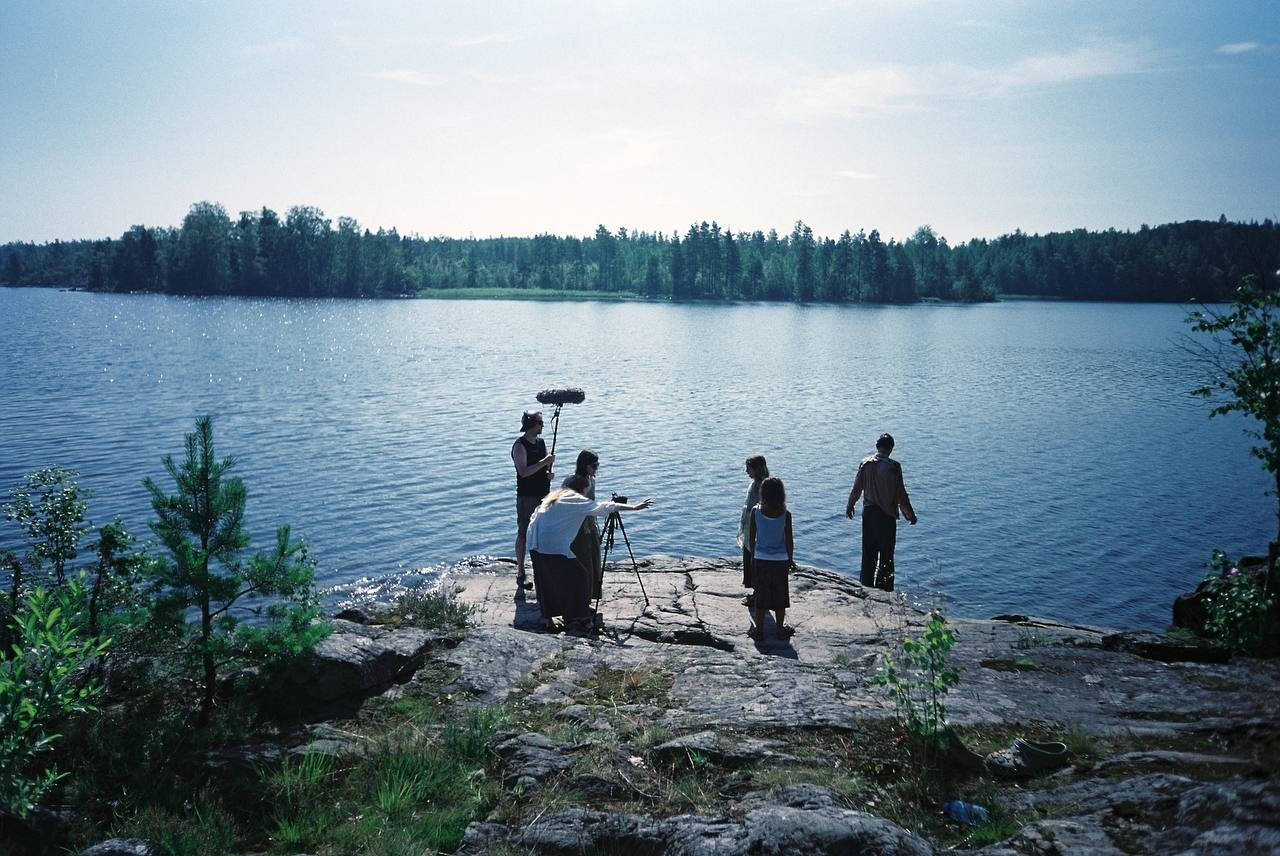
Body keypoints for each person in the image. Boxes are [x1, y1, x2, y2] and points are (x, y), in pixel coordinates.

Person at [527, 474, 653, 633]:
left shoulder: (554, 497)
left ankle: (547, 619)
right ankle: (578, 616)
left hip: (534, 542)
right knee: (580, 577)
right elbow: (605, 507)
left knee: (545, 581)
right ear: (582, 489)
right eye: (587, 489)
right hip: (552, 546)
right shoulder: (576, 500)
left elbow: (536, 516)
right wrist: (634, 507)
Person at [845, 433, 917, 592]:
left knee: (868, 553)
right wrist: (909, 515)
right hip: (887, 516)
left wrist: (850, 505)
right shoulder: (893, 467)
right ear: (891, 448)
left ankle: (866, 586)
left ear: (877, 446)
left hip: (869, 514)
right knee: (886, 555)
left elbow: (857, 488)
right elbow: (901, 494)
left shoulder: (865, 464)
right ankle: (885, 590)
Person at [512, 409, 555, 590]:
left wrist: (549, 473)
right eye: (540, 423)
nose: (542, 426)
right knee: (523, 532)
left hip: (544, 494)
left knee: (543, 531)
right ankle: (520, 571)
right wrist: (545, 462)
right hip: (527, 496)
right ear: (532, 425)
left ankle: (543, 568)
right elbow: (523, 472)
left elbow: (545, 468)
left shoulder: (541, 442)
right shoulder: (519, 445)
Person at [748, 476, 795, 640]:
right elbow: (789, 540)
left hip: (761, 558)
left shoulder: (755, 511)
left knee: (761, 595)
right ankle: (780, 629)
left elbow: (751, 537)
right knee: (780, 595)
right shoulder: (786, 514)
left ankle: (759, 631)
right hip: (780, 560)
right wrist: (790, 559)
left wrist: (753, 555)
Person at [566, 450, 603, 603]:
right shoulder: (576, 482)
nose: (596, 469)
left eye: (597, 465)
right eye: (594, 466)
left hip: (590, 524)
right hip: (578, 527)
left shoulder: (590, 480)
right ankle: (582, 600)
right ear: (585, 466)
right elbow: (574, 507)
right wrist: (584, 525)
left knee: (594, 561)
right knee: (584, 562)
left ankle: (590, 596)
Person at [736, 454, 769, 604]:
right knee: (752, 559)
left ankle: (757, 594)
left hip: (755, 529)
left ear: (756, 469)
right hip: (752, 527)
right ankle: (757, 592)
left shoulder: (760, 485)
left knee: (754, 560)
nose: (746, 471)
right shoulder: (759, 483)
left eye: (748, 468)